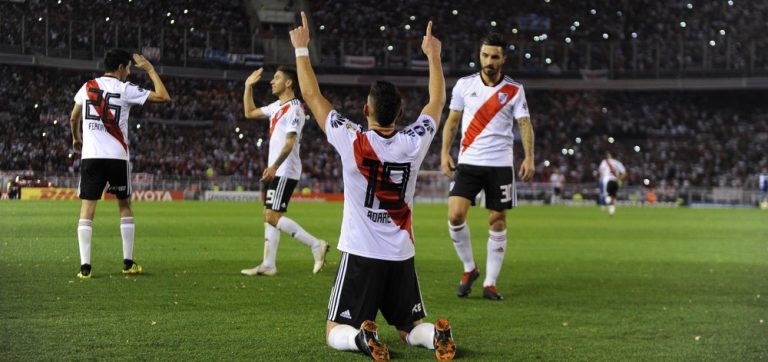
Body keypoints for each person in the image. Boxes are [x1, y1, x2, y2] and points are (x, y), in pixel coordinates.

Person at [290, 13, 455, 361]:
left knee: (334, 329)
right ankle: (436, 334)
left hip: (361, 253)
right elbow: (437, 102)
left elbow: (311, 94)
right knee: (410, 327)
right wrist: (434, 56)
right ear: (399, 113)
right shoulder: (414, 141)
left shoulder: (352, 139)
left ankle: (361, 342)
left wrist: (302, 49)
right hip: (401, 254)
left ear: (366, 110)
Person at [440, 33, 535, 301]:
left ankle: (490, 283)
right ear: (479, 55)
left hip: (500, 164)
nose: (488, 61)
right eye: (485, 55)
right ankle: (470, 268)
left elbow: (524, 124)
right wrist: (444, 151)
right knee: (455, 216)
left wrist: (529, 157)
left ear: (503, 59)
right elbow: (452, 120)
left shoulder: (514, 90)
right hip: (469, 162)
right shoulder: (464, 85)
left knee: (497, 220)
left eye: (494, 56)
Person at [69, 49, 171, 279]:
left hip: (91, 156)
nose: (128, 72)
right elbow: (164, 96)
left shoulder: (87, 87)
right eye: (128, 67)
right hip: (117, 156)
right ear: (122, 67)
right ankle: (127, 263)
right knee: (124, 205)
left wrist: (77, 138)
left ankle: (85, 268)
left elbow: (73, 118)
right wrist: (150, 69)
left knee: (87, 209)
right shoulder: (125, 89)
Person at [240, 65, 329, 276]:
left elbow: (290, 143)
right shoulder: (277, 106)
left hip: (284, 169)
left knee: (271, 215)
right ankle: (268, 264)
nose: (272, 81)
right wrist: (247, 87)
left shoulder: (295, 109)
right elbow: (249, 112)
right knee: (269, 215)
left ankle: (315, 245)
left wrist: (274, 166)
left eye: (277, 78)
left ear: (288, 83)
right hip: (276, 170)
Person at [597, 151, 627, 216]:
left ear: (610, 155)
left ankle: (606, 204)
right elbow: (624, 173)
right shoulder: (618, 163)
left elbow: (601, 172)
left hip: (607, 181)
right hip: (615, 181)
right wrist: (619, 179)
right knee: (613, 196)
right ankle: (612, 211)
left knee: (606, 195)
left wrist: (602, 178)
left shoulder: (604, 162)